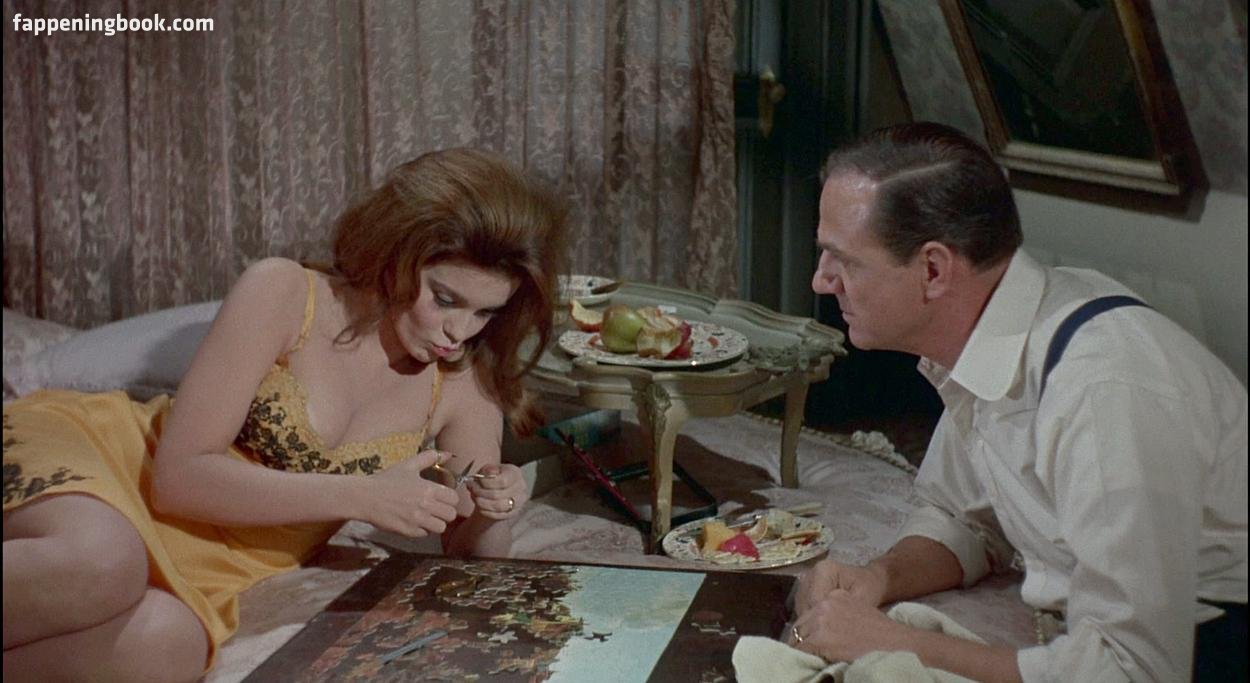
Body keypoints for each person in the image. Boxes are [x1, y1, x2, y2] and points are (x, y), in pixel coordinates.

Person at [2, 147, 569, 681]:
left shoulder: (464, 382)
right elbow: (177, 480)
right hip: (111, 464)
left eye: (485, 312)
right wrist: (361, 495)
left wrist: (498, 507)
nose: (458, 331)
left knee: (169, 648)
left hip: (217, 564)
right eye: (445, 299)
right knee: (102, 562)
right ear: (398, 255)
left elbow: (470, 555)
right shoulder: (286, 292)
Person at [791, 122, 1247, 682]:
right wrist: (879, 577)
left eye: (844, 260)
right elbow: (966, 519)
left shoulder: (1102, 389)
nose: (821, 281)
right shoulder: (988, 336)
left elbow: (1135, 670)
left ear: (933, 270)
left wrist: (896, 643)